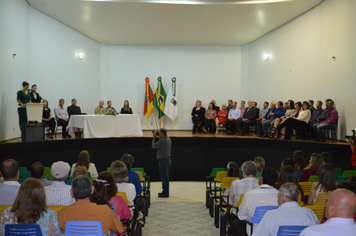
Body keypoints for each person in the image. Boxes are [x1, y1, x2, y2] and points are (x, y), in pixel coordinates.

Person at [58, 175, 125, 235]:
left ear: (71, 192)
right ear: (92, 190)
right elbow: (120, 229)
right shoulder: (106, 211)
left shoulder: (62, 213)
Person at [253, 183, 319, 236]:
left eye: (278, 197)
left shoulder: (271, 215)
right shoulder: (309, 213)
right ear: (298, 199)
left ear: (282, 197)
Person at [230, 167, 279, 236]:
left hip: (253, 231)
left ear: (261, 179)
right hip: (274, 232)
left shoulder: (249, 194)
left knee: (235, 223)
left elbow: (241, 216)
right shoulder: (281, 196)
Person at [152, 129, 172, 197]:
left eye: (159, 133)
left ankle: (165, 193)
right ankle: (164, 191)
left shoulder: (163, 140)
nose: (158, 134)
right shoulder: (168, 139)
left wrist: (154, 137)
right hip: (167, 160)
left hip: (163, 161)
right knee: (165, 177)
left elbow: (153, 146)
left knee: (164, 178)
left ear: (162, 134)